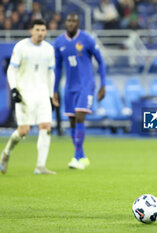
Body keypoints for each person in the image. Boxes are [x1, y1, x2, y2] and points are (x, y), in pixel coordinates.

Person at [0, 19, 56, 175]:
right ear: (31, 30)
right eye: (37, 29)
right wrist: (14, 89)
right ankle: (6, 152)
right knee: (23, 131)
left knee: (46, 127)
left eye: (43, 30)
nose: (40, 33)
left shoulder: (49, 49)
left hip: (43, 94)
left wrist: (51, 95)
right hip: (25, 95)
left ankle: (40, 166)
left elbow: (51, 73)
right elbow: (12, 70)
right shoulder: (21, 47)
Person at [53, 13, 106, 170]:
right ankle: (82, 156)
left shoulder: (87, 39)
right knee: (72, 121)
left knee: (80, 117)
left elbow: (101, 61)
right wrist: (54, 89)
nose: (71, 23)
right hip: (69, 87)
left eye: (74, 21)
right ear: (65, 22)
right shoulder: (59, 42)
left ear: (78, 23)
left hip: (86, 85)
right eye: (68, 20)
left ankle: (76, 157)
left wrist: (103, 84)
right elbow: (57, 68)